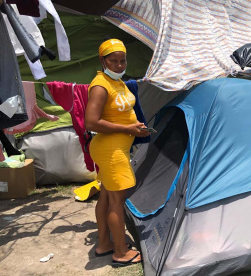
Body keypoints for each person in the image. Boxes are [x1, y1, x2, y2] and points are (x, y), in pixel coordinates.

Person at [85, 38, 150, 267]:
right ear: (102, 60)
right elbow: (91, 122)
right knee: (117, 200)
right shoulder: (101, 85)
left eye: (122, 61)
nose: (119, 65)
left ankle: (104, 244)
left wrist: (134, 128)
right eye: (113, 61)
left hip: (114, 148)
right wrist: (128, 129)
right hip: (111, 151)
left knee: (106, 195)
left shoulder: (118, 82)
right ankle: (121, 253)